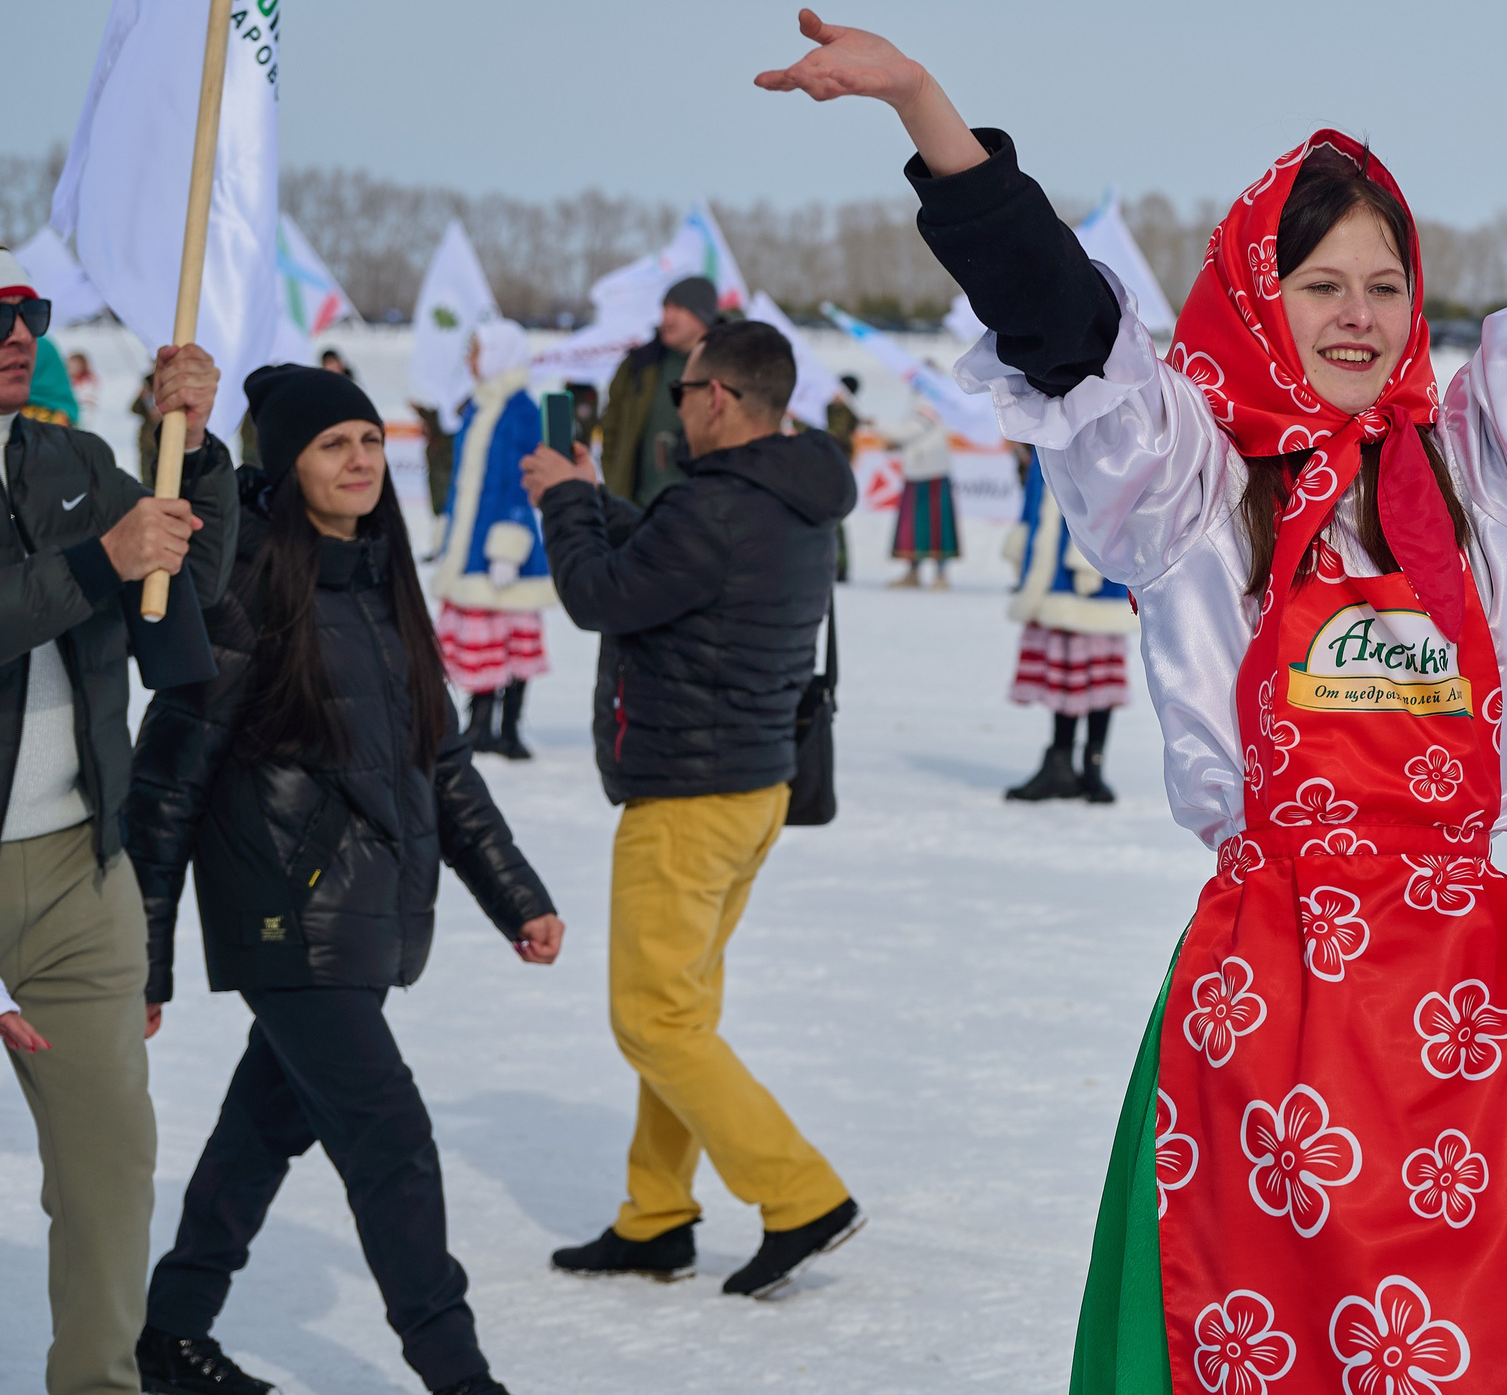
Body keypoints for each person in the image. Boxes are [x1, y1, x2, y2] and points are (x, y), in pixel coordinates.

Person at [753, 0, 1507, 1389]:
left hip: (1473, 1002)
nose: (1357, 316)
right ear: (1260, 300)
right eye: (1319, 285)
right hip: (1275, 1006)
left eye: (1385, 286)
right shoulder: (1191, 481)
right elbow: (1061, 323)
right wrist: (925, 110)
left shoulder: (1478, 463)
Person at [126, 366, 559, 1395]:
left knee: (260, 1131)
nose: (360, 459)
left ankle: (171, 1333)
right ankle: (460, 1377)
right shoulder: (244, 591)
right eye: (333, 445)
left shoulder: (382, 584)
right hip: (285, 913)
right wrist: (143, 954)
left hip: (368, 913)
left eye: (369, 439)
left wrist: (518, 892)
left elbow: (439, 765)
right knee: (390, 1140)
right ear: (288, 463)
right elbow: (168, 779)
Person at [522, 319, 864, 1299]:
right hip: (751, 783)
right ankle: (656, 1215)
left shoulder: (715, 507)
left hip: (688, 794)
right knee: (681, 1011)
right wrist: (594, 498)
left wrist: (566, 507)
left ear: (717, 397)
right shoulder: (786, 493)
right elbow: (671, 561)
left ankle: (800, 1195)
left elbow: (598, 594)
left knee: (654, 1021)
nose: (677, 406)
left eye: (682, 391)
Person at [0, 248, 234, 1395]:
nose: (13, 333)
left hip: (78, 873)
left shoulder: (75, 460)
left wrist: (193, 444)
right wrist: (103, 559)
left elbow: (185, 602)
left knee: (108, 1169)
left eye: (25, 313)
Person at [432, 321, 555, 762]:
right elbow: (461, 481)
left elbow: (522, 484)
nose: (469, 360)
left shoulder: (522, 410)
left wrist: (509, 546)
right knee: (481, 639)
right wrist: (448, 529)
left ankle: (510, 729)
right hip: (470, 545)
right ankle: (480, 724)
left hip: (507, 551)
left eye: (476, 351)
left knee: (511, 640)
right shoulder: (477, 409)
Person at [1001, 448, 1139, 803]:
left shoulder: (1090, 428)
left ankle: (1092, 765)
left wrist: (1087, 562)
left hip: (1085, 577)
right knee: (1064, 671)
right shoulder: (1043, 438)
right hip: (1051, 576)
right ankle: (1061, 762)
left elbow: (1109, 501)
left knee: (1092, 670)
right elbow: (1034, 503)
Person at [596, 276, 718, 506]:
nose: (667, 318)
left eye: (679, 308)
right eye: (665, 307)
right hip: (640, 510)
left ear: (703, 316)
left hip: (702, 514)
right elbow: (611, 427)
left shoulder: (731, 366)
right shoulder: (640, 364)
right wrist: (616, 483)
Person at [881, 396, 957, 587]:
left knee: (937, 526)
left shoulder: (932, 399)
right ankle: (913, 572)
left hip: (932, 471)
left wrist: (876, 423)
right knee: (914, 526)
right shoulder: (916, 399)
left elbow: (912, 430)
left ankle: (941, 574)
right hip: (918, 470)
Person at [824, 373, 862, 583]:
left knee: (833, 519)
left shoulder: (843, 413)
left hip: (835, 468)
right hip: (832, 468)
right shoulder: (836, 410)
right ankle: (837, 566)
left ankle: (839, 566)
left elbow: (833, 435)